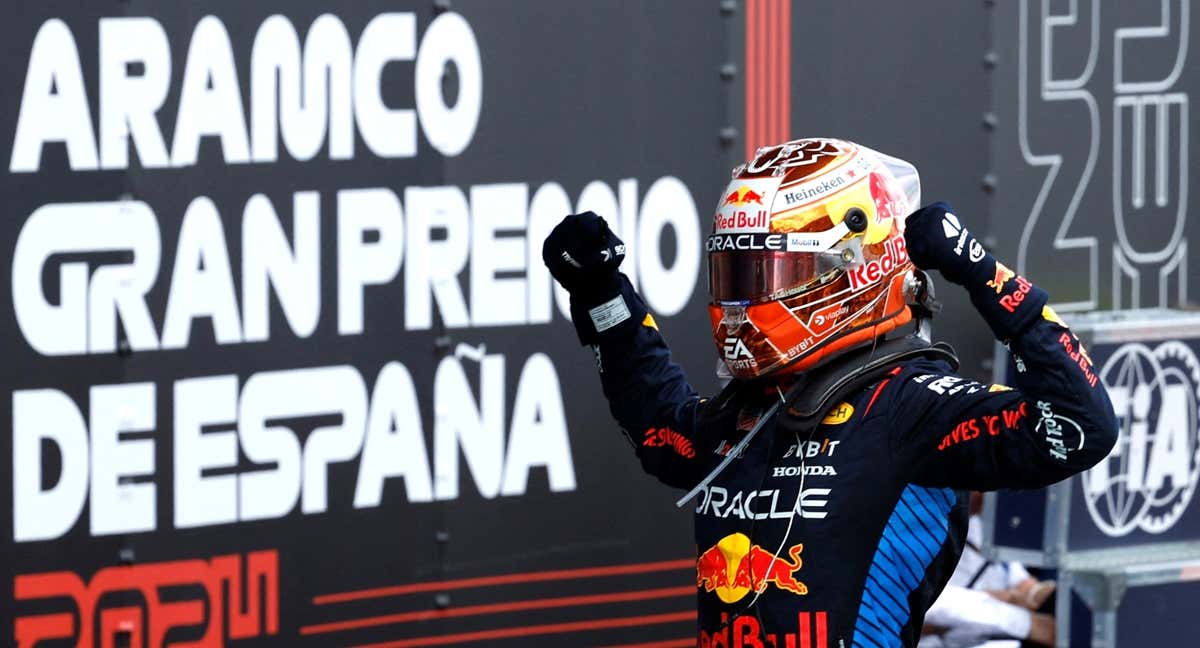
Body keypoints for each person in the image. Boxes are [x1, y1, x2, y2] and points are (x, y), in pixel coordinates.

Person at [542, 138, 1118, 648]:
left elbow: (1080, 423)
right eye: (736, 274)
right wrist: (601, 294)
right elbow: (659, 430)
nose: (743, 302)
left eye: (770, 272)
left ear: (853, 269)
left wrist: (979, 271)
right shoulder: (756, 408)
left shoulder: (911, 405)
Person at [919, 493, 1056, 648]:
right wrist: (1026, 622)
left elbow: (1022, 583)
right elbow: (927, 604)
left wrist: (1036, 594)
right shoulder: (915, 523)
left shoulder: (980, 522)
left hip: (1005, 629)